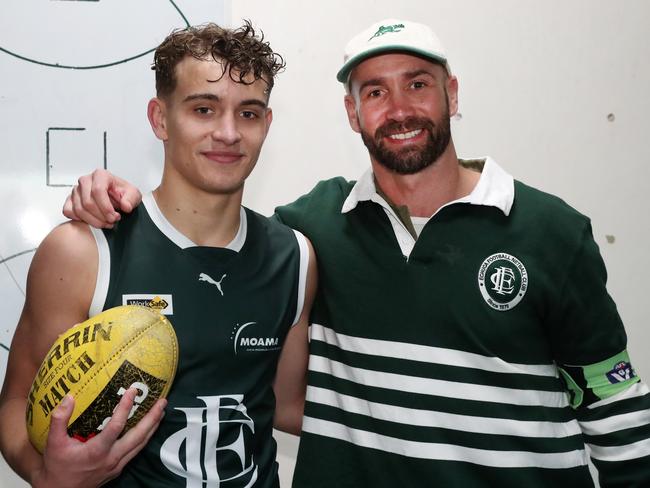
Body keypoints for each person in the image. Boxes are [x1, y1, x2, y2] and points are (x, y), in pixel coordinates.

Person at [61, 18, 650, 487]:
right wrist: (113, 199)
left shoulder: (550, 231)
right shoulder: (312, 230)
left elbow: (616, 409)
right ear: (352, 113)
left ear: (451, 93)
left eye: (417, 84)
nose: (398, 109)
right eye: (375, 91)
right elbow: (209, 227)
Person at [0, 21, 316, 488]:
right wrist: (47, 477)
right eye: (204, 109)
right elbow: (17, 404)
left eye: (248, 113)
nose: (228, 133)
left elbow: (289, 405)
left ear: (266, 125)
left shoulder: (295, 257)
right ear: (160, 118)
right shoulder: (85, 250)